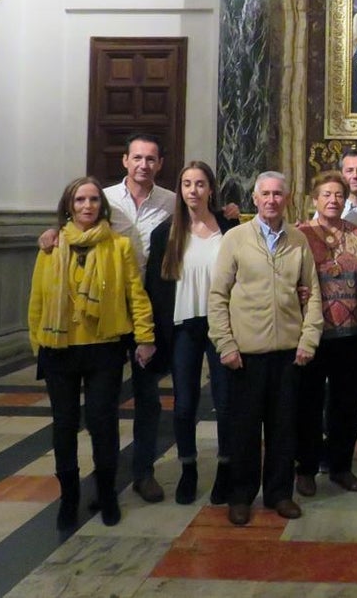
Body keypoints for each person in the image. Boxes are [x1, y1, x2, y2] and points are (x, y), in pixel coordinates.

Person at [38, 133, 176, 505]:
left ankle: (143, 472)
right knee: (97, 411)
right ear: (125, 161)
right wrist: (52, 232)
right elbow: (70, 229)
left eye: (151, 159)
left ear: (159, 164)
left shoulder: (172, 203)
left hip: (151, 304)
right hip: (106, 309)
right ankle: (99, 482)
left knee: (147, 397)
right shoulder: (102, 197)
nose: (143, 165)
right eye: (137, 157)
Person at [27, 176, 155, 530]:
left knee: (102, 422)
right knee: (65, 424)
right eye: (80, 200)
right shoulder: (51, 246)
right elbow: (38, 298)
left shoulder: (119, 246)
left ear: (102, 205)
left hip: (104, 347)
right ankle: (69, 497)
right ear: (69, 205)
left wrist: (145, 335)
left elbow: (136, 295)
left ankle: (107, 492)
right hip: (59, 350)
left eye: (94, 200)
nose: (87, 206)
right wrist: (38, 343)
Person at [208, 171, 324, 526]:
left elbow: (313, 293)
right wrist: (225, 344)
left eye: (278, 194)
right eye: (265, 194)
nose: (272, 200)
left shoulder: (298, 240)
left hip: (288, 352)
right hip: (245, 354)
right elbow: (218, 296)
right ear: (255, 200)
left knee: (283, 429)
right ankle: (241, 496)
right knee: (244, 431)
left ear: (286, 199)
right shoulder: (236, 239)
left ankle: (278, 494)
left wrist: (308, 339)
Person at [143, 161, 235, 506]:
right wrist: (149, 336)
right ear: (180, 190)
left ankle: (225, 468)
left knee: (225, 402)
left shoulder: (229, 226)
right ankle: (189, 468)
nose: (193, 190)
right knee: (184, 404)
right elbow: (154, 288)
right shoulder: (165, 231)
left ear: (211, 189)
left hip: (221, 324)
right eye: (186, 184)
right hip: (183, 326)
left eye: (200, 184)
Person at [294, 171, 357, 497]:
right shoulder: (300, 234)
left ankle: (341, 466)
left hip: (352, 335)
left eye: (338, 195)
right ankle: (306, 468)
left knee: (346, 405)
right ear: (315, 199)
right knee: (308, 404)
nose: (333, 200)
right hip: (314, 333)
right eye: (326, 194)